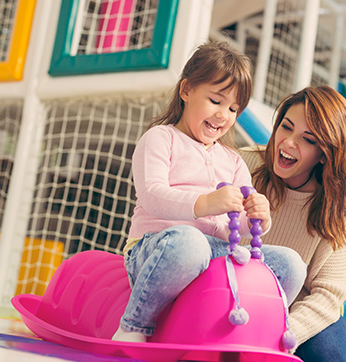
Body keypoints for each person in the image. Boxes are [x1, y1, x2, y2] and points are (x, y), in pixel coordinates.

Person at [111, 41, 307, 343]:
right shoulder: (161, 138)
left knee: (290, 263)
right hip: (159, 247)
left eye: (233, 109)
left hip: (216, 253)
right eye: (216, 101)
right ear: (186, 90)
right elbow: (152, 194)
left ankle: (264, 335)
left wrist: (258, 217)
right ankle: (134, 326)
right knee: (191, 243)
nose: (224, 115)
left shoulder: (232, 160)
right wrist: (204, 203)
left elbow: (240, 225)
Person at [239, 85, 346, 361]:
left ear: (325, 153)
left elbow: (329, 294)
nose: (288, 142)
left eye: (307, 139)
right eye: (286, 127)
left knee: (329, 348)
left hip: (292, 312)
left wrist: (277, 338)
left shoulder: (339, 205)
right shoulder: (243, 164)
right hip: (233, 297)